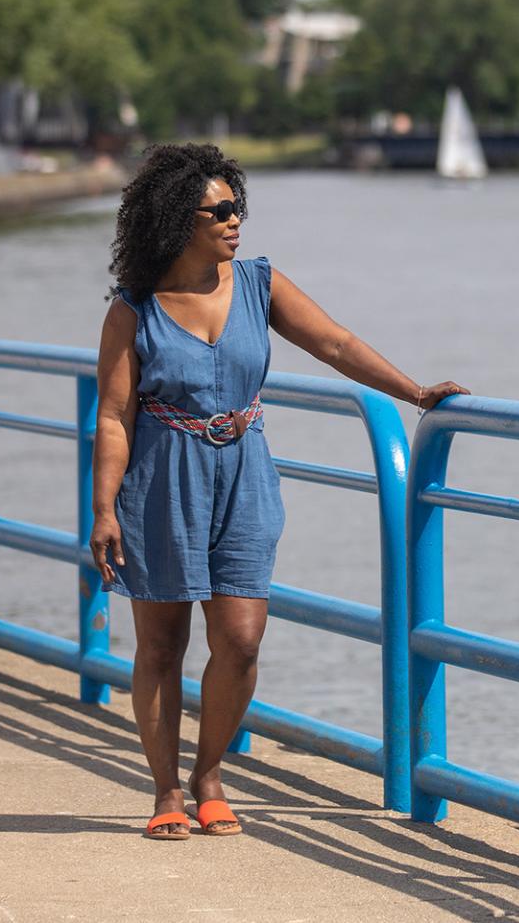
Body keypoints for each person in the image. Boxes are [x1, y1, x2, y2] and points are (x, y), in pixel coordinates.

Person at [87, 143, 465, 840]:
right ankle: (167, 788)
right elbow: (113, 415)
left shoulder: (259, 282)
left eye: (239, 206)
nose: (236, 221)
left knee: (242, 636)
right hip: (163, 475)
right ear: (178, 218)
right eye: (221, 210)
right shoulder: (134, 309)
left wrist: (414, 390)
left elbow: (337, 344)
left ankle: (210, 773)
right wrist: (103, 507)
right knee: (161, 644)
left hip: (244, 472)